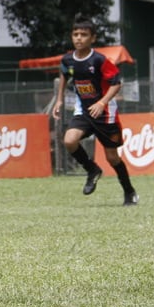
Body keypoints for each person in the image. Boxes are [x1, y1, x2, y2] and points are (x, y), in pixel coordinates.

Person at [52, 15, 138, 206]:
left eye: (84, 34)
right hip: (83, 111)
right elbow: (64, 75)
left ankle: (129, 192)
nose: (79, 38)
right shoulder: (68, 59)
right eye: (76, 34)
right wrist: (59, 100)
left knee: (112, 157)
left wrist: (101, 103)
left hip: (105, 113)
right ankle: (92, 170)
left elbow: (117, 83)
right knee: (69, 140)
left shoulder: (99, 60)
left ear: (93, 38)